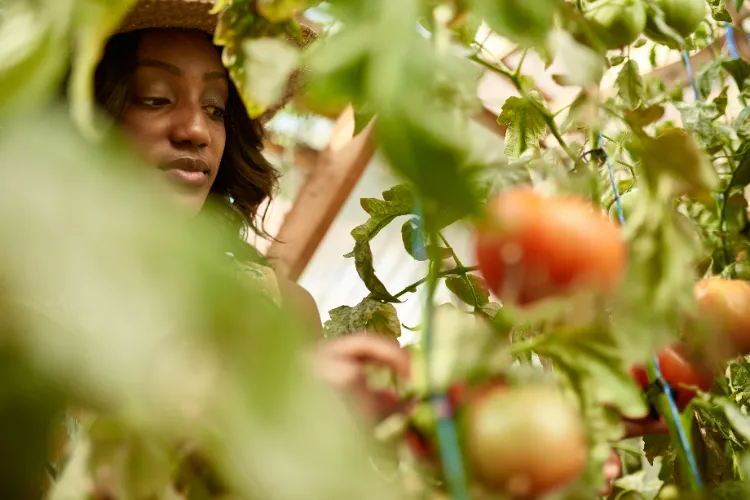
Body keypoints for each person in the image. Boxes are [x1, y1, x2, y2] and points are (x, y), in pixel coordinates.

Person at [85, 0, 633, 493]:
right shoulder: (26, 286)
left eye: (215, 107)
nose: (195, 131)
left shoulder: (279, 304)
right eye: (155, 98)